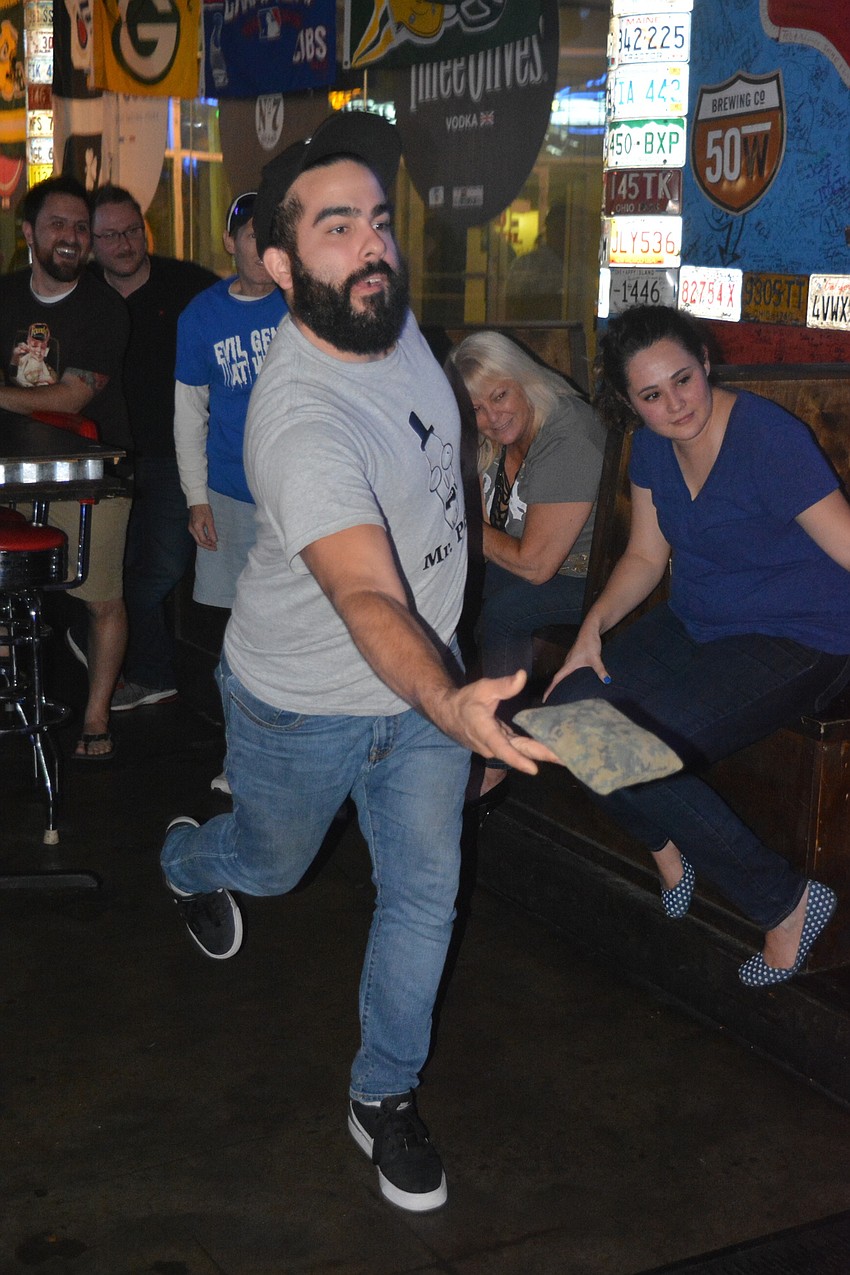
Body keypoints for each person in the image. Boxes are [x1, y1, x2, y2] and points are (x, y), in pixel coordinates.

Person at [159, 111, 555, 1213]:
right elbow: (367, 594)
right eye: (337, 228)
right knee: (272, 867)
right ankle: (189, 861)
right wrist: (448, 697)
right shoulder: (296, 422)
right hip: (304, 706)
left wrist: (448, 691)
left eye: (377, 221)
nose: (372, 245)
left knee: (426, 892)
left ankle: (381, 1096)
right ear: (281, 265)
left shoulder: (391, 319)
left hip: (430, 690)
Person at [546, 304, 850, 987]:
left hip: (801, 631)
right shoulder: (653, 442)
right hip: (699, 619)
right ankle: (664, 839)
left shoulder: (769, 439)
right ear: (630, 400)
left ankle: (786, 901)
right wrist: (590, 631)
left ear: (705, 362)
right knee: (567, 708)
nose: (676, 404)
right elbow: (647, 557)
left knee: (632, 747)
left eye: (684, 380)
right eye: (651, 395)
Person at [0, 174, 131, 760]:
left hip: (90, 475)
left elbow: (70, 399)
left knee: (99, 597)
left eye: (80, 227)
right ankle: (13, 691)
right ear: (28, 232)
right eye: (58, 224)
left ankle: (97, 715)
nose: (71, 237)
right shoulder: (4, 296)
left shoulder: (104, 307)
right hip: (10, 472)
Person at [447, 330, 606, 807]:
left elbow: (535, 565)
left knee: (504, 613)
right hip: (535, 562)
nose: (492, 417)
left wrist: (460, 517)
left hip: (592, 577)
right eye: (476, 407)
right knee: (450, 591)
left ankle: (498, 761)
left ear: (525, 382)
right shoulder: (491, 435)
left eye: (500, 395)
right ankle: (445, 728)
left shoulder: (569, 431)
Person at [173, 190, 287, 793]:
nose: (261, 248)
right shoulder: (201, 317)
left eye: (271, 236)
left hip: (295, 494)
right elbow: (188, 414)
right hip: (229, 495)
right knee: (235, 633)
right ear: (229, 241)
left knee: (296, 623)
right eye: (249, 235)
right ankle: (240, 756)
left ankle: (299, 751)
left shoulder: (303, 306)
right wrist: (197, 498)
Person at [89, 184, 218, 711]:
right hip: (102, 460)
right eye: (110, 235)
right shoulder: (83, 298)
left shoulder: (187, 285)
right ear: (92, 242)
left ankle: (138, 665)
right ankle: (133, 662)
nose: (124, 243)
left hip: (174, 458)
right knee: (107, 570)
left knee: (158, 571)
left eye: (131, 231)